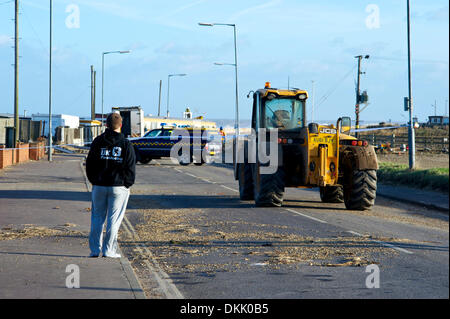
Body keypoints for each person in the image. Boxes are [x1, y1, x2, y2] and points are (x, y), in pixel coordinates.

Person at [86, 112, 136, 258]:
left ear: (106, 124)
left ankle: (95, 250)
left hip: (99, 185)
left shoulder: (98, 141)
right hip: (118, 186)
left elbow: (89, 163)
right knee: (114, 220)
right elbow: (131, 167)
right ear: (120, 125)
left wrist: (94, 180)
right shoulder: (126, 144)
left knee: (97, 218)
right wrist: (127, 183)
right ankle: (109, 250)